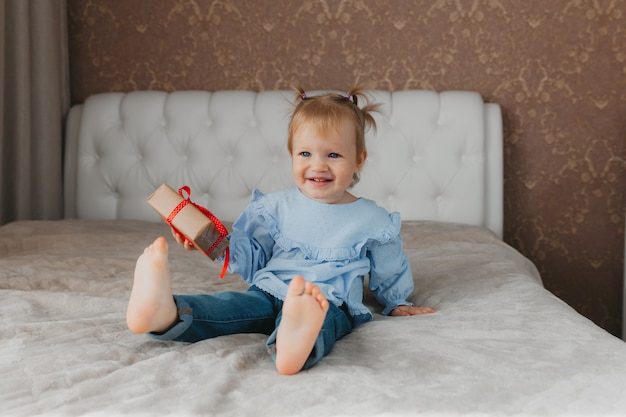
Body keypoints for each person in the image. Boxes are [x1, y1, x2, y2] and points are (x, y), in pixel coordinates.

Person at [126, 86, 436, 375]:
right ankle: (166, 312)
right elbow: (251, 254)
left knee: (325, 321)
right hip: (270, 289)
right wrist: (209, 241)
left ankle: (295, 338)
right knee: (229, 308)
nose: (318, 165)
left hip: (326, 298)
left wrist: (396, 302)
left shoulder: (371, 218)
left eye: (333, 155)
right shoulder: (275, 207)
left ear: (358, 160)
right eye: (305, 154)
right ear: (292, 155)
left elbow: (389, 267)